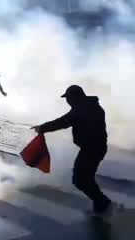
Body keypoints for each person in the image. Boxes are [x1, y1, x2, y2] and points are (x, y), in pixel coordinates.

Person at [32, 85, 116, 217]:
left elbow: (62, 122)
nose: (67, 101)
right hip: (94, 148)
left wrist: (42, 128)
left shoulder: (81, 109)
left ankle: (103, 203)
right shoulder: (90, 106)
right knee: (86, 178)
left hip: (92, 149)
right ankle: (100, 206)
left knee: (80, 179)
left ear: (75, 97)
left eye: (68, 98)